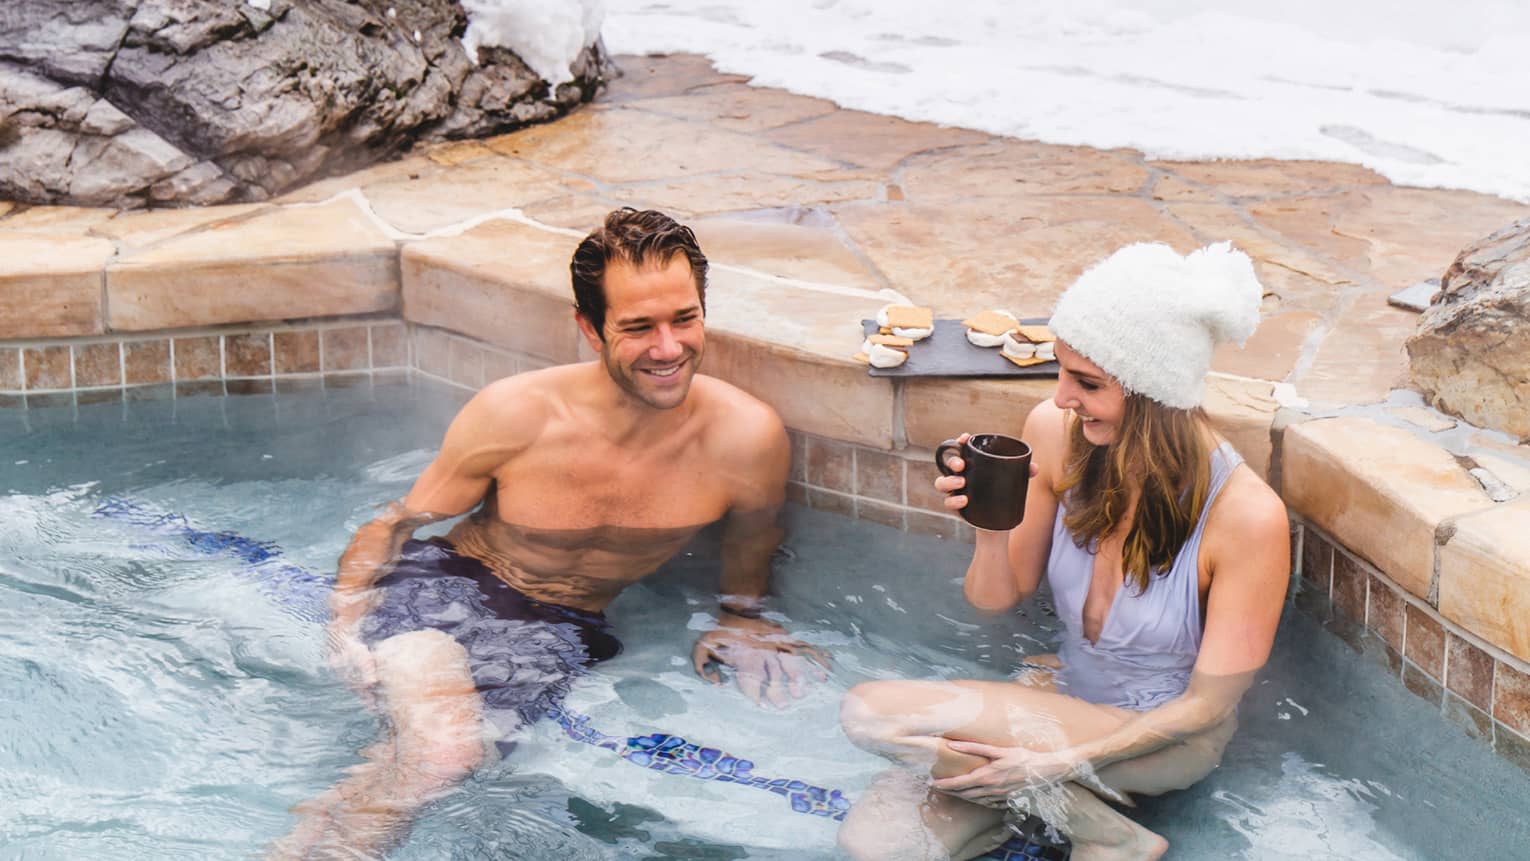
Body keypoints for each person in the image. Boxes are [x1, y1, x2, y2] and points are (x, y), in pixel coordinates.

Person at [271, 208, 825, 859]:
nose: (669, 347)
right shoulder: (519, 411)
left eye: (685, 318)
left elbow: (752, 541)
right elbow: (394, 525)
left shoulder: (746, 438)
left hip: (561, 632)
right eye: (639, 327)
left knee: (405, 762)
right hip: (448, 590)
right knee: (444, 751)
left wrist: (743, 617)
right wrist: (344, 622)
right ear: (590, 328)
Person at [836, 242, 1290, 861]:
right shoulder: (1056, 434)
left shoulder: (1246, 515)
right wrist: (990, 523)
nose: (1060, 398)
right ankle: (1074, 818)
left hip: (1160, 740)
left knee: (871, 713)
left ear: (1152, 390)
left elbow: (1208, 705)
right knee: (877, 846)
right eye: (1061, 370)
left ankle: (1106, 832)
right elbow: (994, 598)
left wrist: (1055, 762)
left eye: (1087, 383)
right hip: (1061, 698)